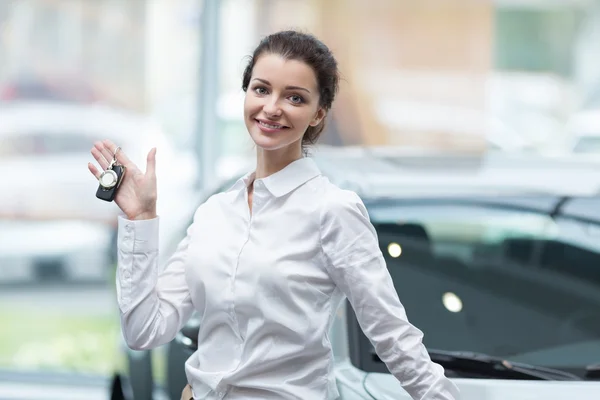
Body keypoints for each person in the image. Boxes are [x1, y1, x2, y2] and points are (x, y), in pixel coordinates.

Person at [88, 30, 460, 400]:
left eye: (294, 97)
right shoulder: (215, 212)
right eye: (261, 89)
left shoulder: (333, 211)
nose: (272, 107)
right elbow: (144, 331)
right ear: (246, 93)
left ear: (318, 113)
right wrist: (141, 220)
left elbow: (394, 337)